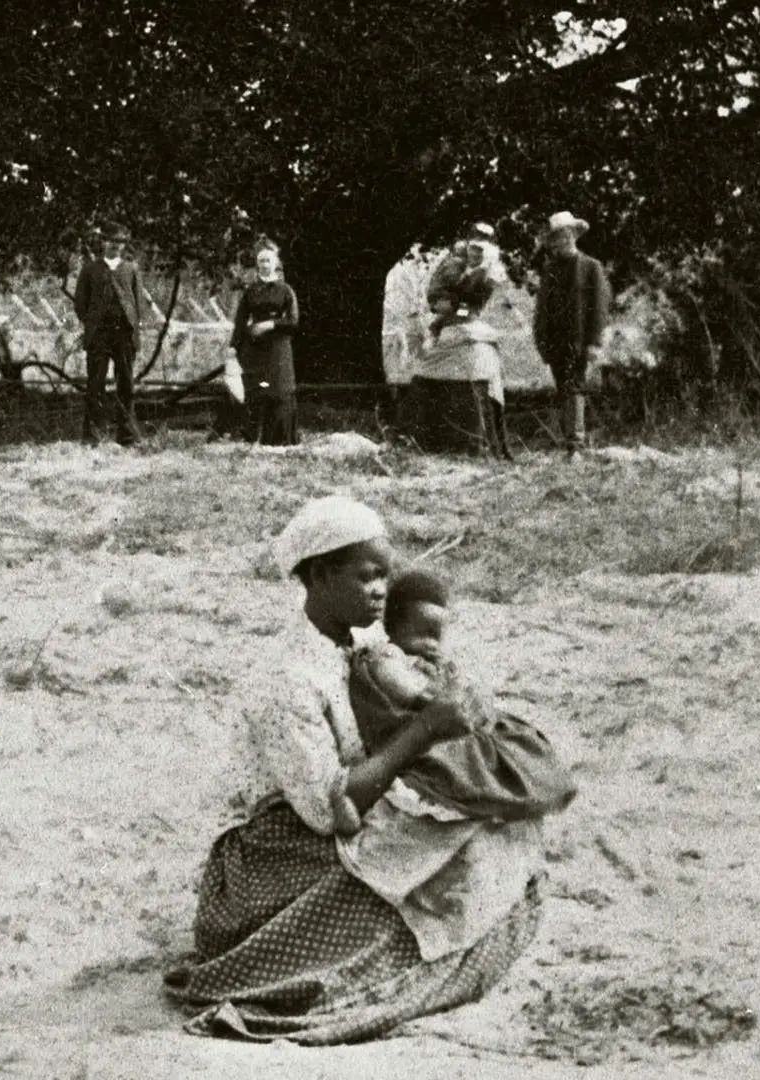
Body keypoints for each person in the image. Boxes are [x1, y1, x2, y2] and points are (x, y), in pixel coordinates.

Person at [164, 496, 547, 1043]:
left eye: (385, 576)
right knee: (408, 891)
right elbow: (325, 811)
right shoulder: (286, 677)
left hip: (346, 816)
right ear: (318, 575)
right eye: (367, 577)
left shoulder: (361, 645)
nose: (381, 591)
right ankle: (329, 973)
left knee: (486, 832)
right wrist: (423, 733)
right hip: (269, 860)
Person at [349, 567, 576, 820]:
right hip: (419, 733)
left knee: (512, 746)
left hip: (446, 726)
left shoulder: (435, 664)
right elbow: (400, 685)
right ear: (394, 626)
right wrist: (429, 698)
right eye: (422, 634)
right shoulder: (388, 656)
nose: (432, 644)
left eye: (436, 636)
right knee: (468, 769)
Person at [405, 224, 511, 458]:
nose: (477, 247)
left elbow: (479, 299)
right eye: (474, 241)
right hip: (449, 315)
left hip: (468, 320)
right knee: (430, 366)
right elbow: (441, 292)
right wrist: (454, 301)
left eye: (483, 242)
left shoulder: (489, 266)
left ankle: (478, 442)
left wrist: (478, 281)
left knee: (480, 364)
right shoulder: (454, 262)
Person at [531, 210, 611, 457]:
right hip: (555, 340)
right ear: (552, 241)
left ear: (574, 235)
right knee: (563, 388)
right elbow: (542, 308)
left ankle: (575, 445)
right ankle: (570, 442)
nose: (562, 240)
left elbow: (598, 308)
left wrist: (594, 343)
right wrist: (541, 340)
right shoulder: (550, 269)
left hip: (579, 340)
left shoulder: (590, 267)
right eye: (557, 237)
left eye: (566, 235)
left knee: (574, 387)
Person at [72, 222, 156, 446]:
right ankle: (93, 436)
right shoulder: (90, 269)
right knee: (95, 384)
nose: (116, 246)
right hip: (99, 335)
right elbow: (81, 304)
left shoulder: (131, 269)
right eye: (111, 242)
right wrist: (92, 324)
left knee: (126, 384)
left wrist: (133, 327)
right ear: (103, 243)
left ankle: (127, 436)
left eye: (120, 243)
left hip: (124, 335)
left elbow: (138, 303)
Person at [226, 239, 299, 446]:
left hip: (278, 348)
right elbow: (240, 321)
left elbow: (293, 322)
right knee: (256, 391)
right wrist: (233, 347)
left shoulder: (285, 290)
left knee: (278, 390)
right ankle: (253, 438)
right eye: (260, 261)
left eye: (267, 260)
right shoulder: (251, 291)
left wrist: (270, 325)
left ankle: (279, 441)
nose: (263, 264)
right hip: (255, 350)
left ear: (275, 264)